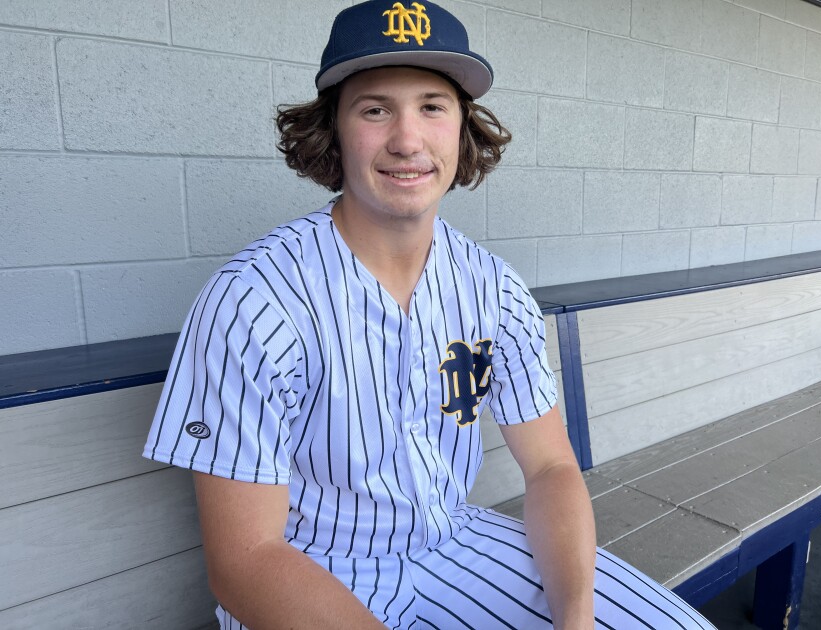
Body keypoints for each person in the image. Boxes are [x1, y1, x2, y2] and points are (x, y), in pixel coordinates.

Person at [144, 2, 716, 628]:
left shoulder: (493, 288)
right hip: (306, 574)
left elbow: (551, 466)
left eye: (432, 106)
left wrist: (574, 618)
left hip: (454, 542)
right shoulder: (254, 299)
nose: (407, 139)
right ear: (333, 128)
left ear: (462, 128)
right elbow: (246, 560)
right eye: (375, 108)